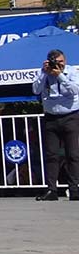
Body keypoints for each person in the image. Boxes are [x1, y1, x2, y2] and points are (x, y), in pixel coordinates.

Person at [32, 49, 79, 201]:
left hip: (70, 115)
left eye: (60, 62)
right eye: (54, 62)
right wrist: (44, 73)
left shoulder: (72, 71)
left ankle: (74, 188)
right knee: (51, 155)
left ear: (65, 60)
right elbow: (35, 90)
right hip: (51, 117)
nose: (57, 65)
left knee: (73, 155)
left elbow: (75, 90)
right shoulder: (44, 73)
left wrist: (59, 75)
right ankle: (52, 189)